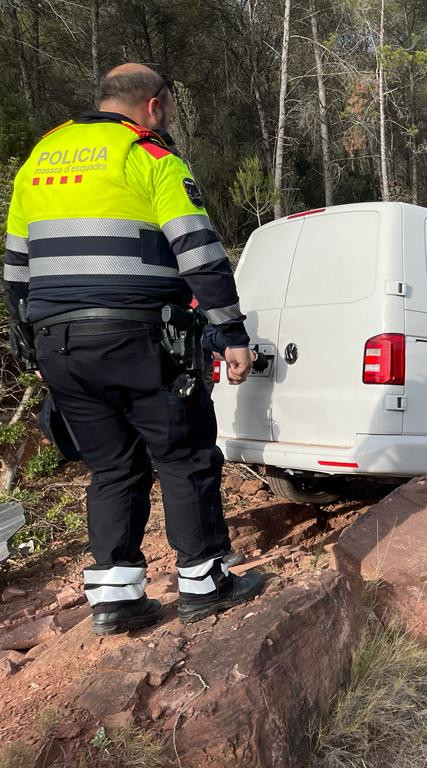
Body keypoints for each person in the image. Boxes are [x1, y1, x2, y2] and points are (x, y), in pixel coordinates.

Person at [3, 63, 264, 634]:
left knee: (111, 467)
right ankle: (205, 582)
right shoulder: (149, 156)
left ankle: (116, 599)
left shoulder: (40, 159)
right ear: (153, 105)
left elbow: (16, 264)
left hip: (59, 344)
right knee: (184, 454)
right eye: (167, 107)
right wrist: (233, 334)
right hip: (140, 336)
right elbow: (197, 251)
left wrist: (29, 334)